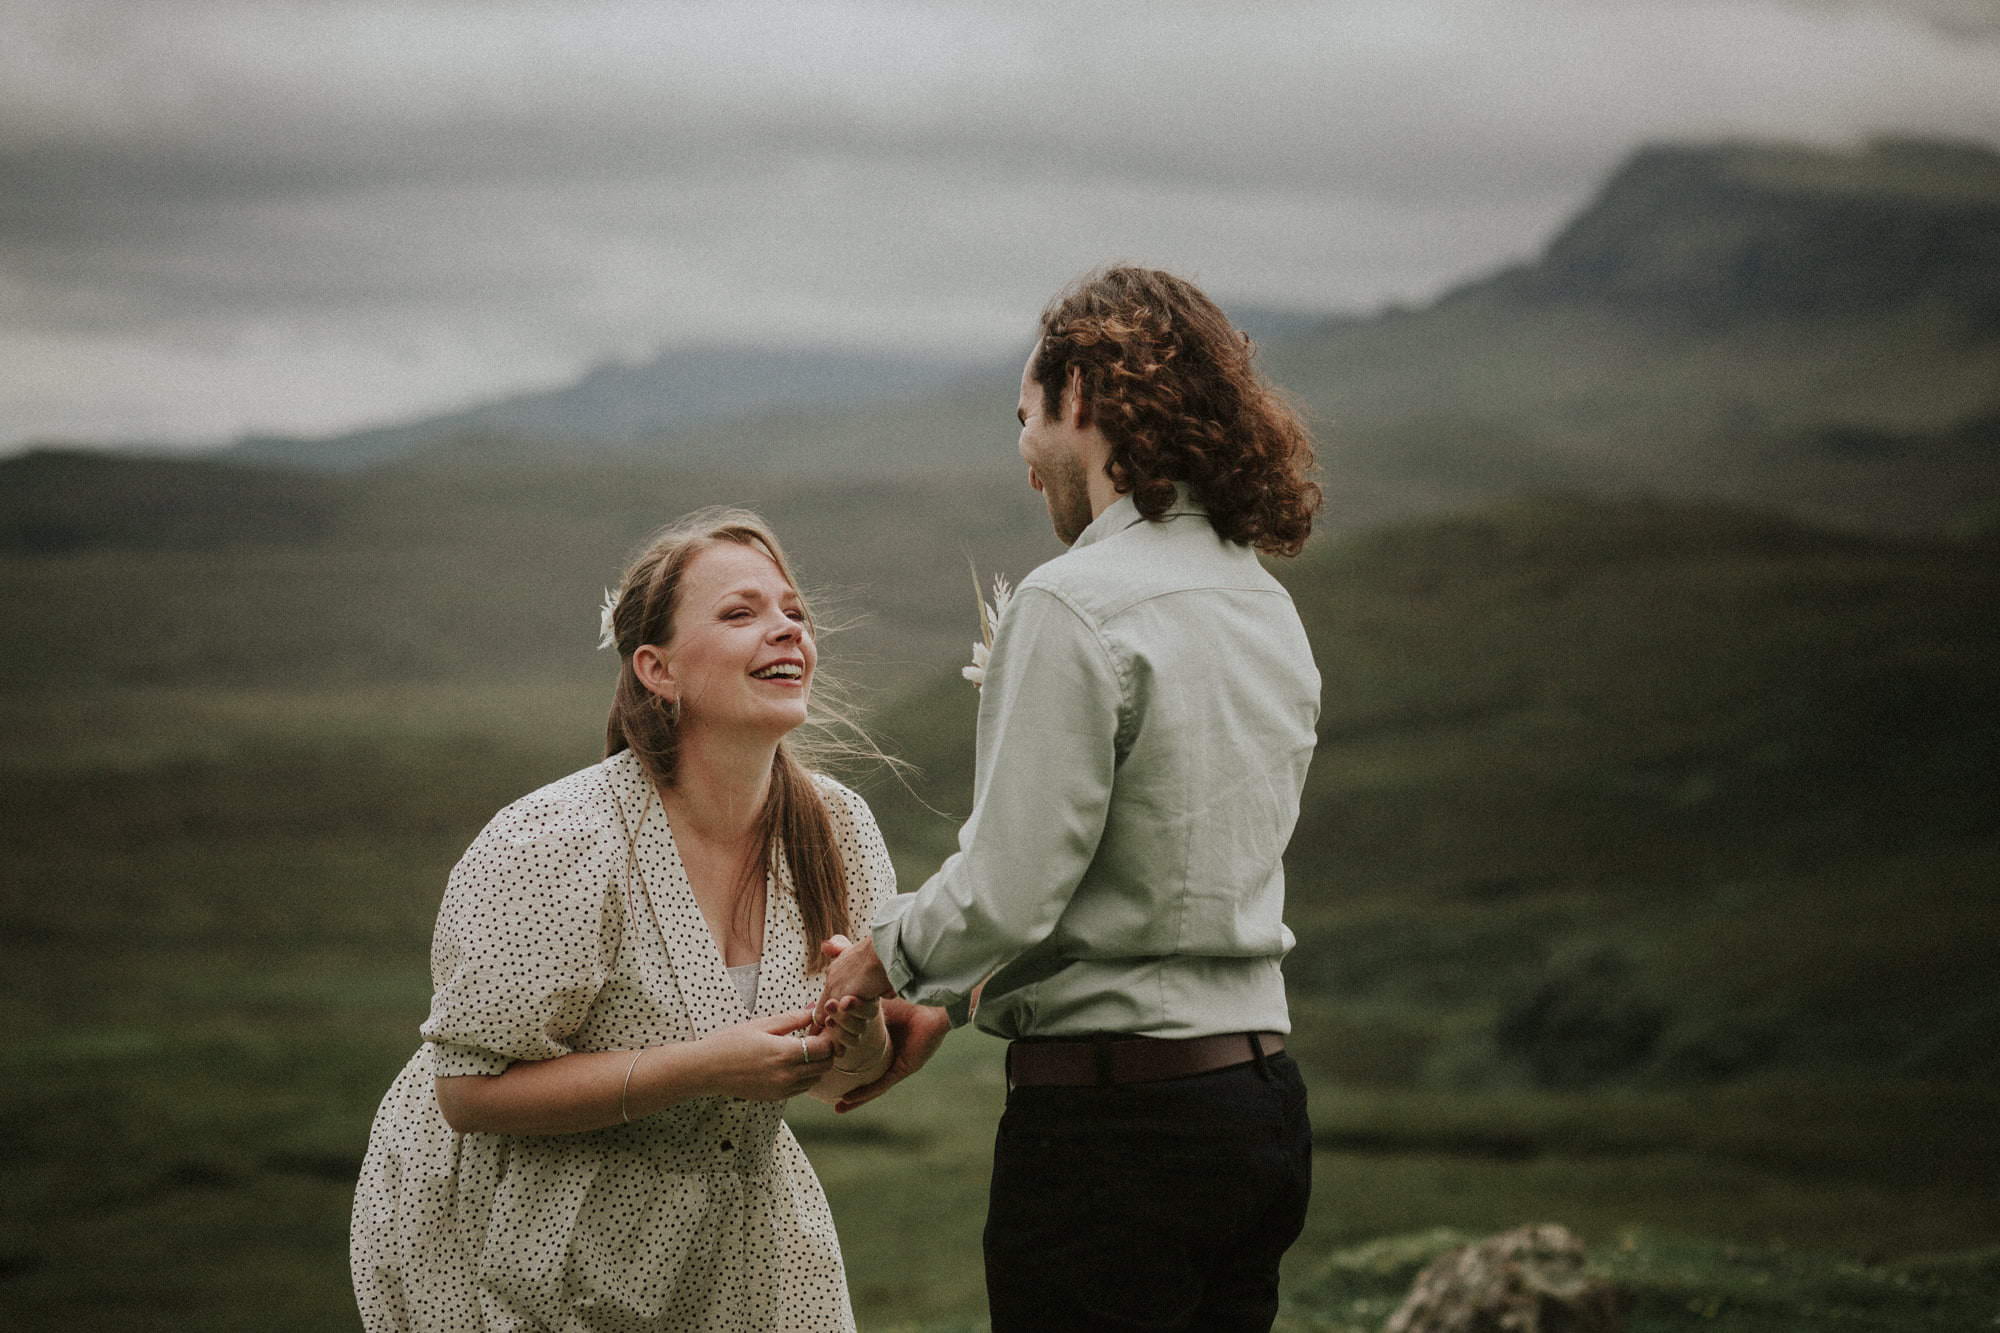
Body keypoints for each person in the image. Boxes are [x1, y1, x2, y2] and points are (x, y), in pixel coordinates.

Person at [819, 265, 1324, 1331]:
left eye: (1025, 416)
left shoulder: (1073, 602)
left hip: (1112, 1135)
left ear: (1083, 398)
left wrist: (880, 956)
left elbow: (1012, 886)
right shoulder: (1260, 600)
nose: (1021, 452)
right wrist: (952, 1002)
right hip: (1256, 1112)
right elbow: (1142, 875)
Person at [352, 510, 898, 1332]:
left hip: (739, 1243)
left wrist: (857, 1044)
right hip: (528, 1247)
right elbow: (466, 1094)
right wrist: (705, 1067)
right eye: (741, 613)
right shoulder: (559, 843)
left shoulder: (839, 830)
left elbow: (846, 1080)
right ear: (657, 669)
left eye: (794, 611)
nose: (787, 629)